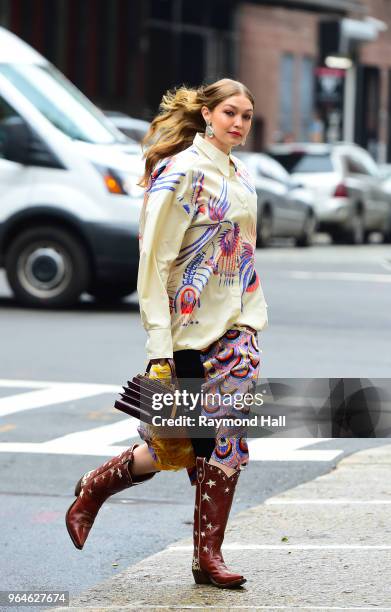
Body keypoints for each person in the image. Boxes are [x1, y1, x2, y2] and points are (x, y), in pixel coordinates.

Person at [65, 78, 268, 589]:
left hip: (238, 331)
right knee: (176, 445)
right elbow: (153, 264)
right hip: (188, 334)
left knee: (224, 444)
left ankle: (208, 557)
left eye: (246, 115)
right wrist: (160, 348)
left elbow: (242, 248)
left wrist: (251, 311)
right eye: (230, 113)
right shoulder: (181, 174)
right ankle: (95, 487)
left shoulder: (240, 173)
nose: (239, 123)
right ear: (206, 114)